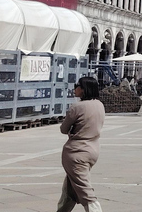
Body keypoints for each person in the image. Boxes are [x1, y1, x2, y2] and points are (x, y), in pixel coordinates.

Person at [58, 77, 104, 212]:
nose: (75, 89)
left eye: (77, 86)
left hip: (76, 152)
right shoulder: (99, 105)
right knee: (70, 188)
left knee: (85, 190)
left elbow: (63, 129)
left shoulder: (77, 107)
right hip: (93, 149)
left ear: (84, 89)